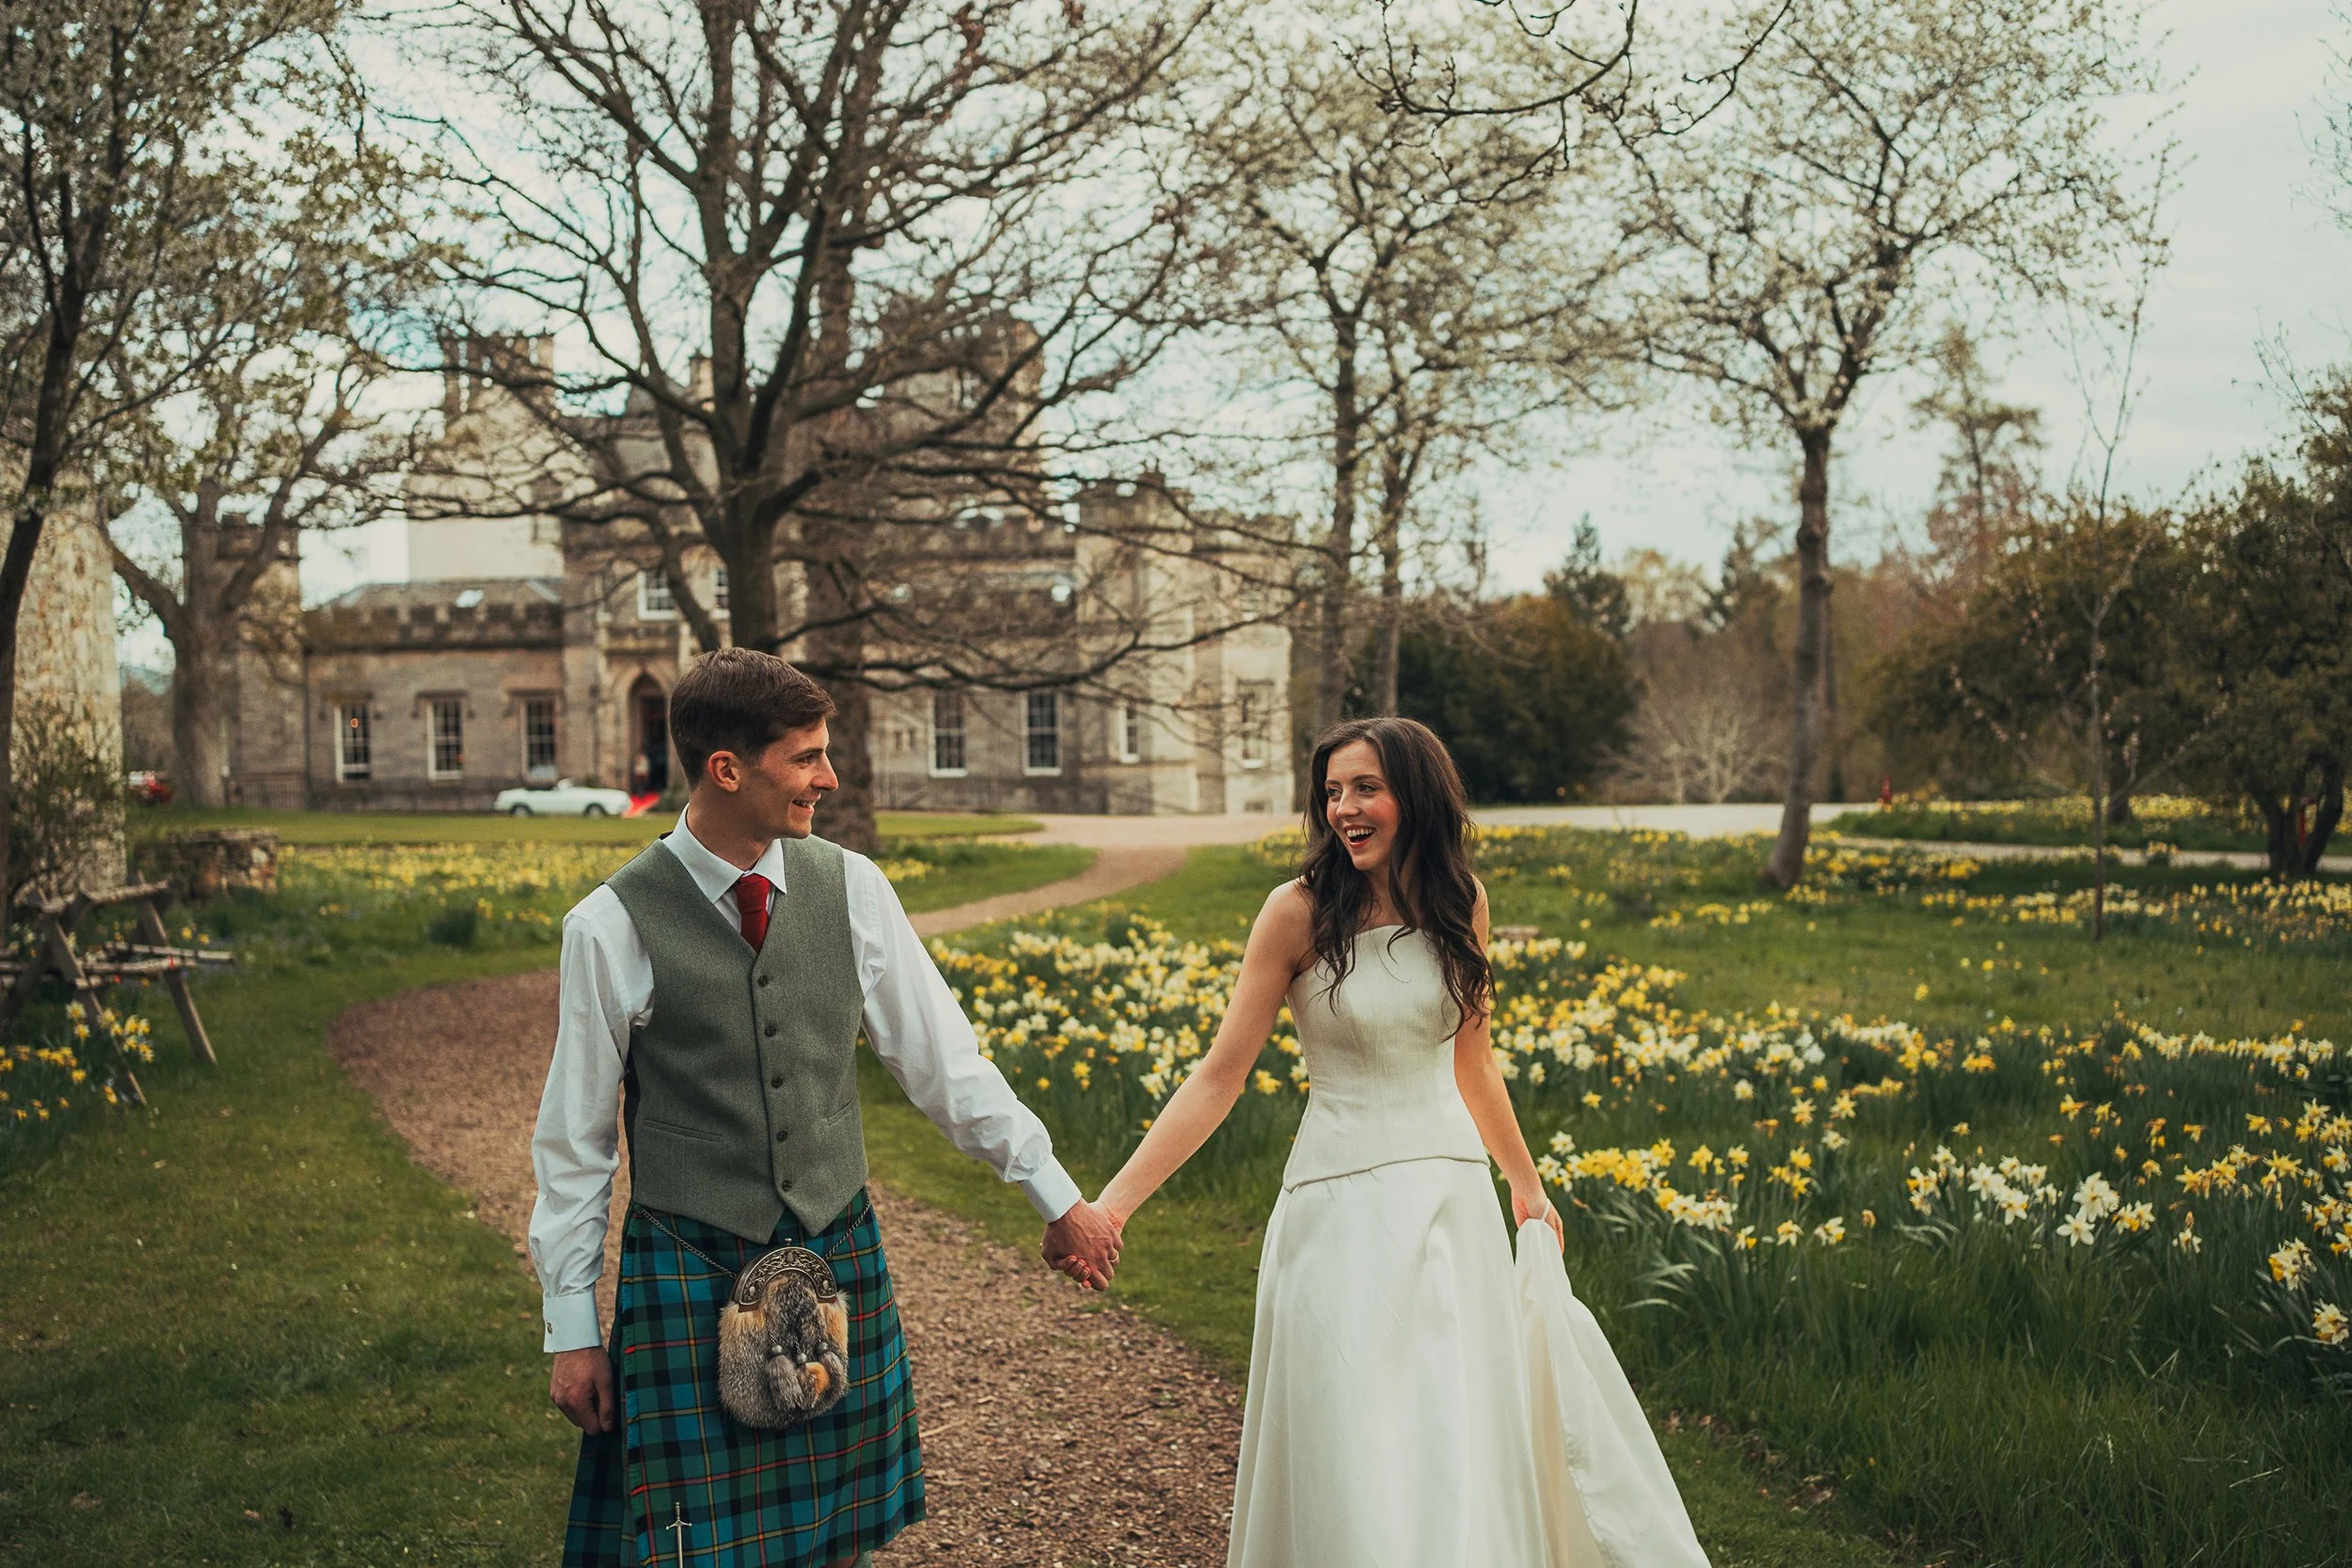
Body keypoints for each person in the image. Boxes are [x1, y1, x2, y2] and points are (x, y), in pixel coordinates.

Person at [530, 648, 1120, 1568]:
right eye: (805, 756)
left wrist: (1056, 1196)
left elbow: (946, 1065)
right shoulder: (609, 925)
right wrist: (572, 1329)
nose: (828, 776)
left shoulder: (854, 889)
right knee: (697, 1549)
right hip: (691, 1264)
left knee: (835, 1533)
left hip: (831, 1243)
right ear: (728, 768)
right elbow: (574, 1145)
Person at [1090, 716, 1711, 1567]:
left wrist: (1526, 1187)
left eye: (1366, 788)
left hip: (1452, 1209)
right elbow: (1218, 1077)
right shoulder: (1295, 912)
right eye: (1333, 791)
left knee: (1447, 1441)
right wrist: (1113, 1207)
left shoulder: (1463, 903)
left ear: (1415, 795)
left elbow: (1475, 1062)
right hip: (1338, 1214)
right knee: (1353, 1444)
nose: (1345, 807)